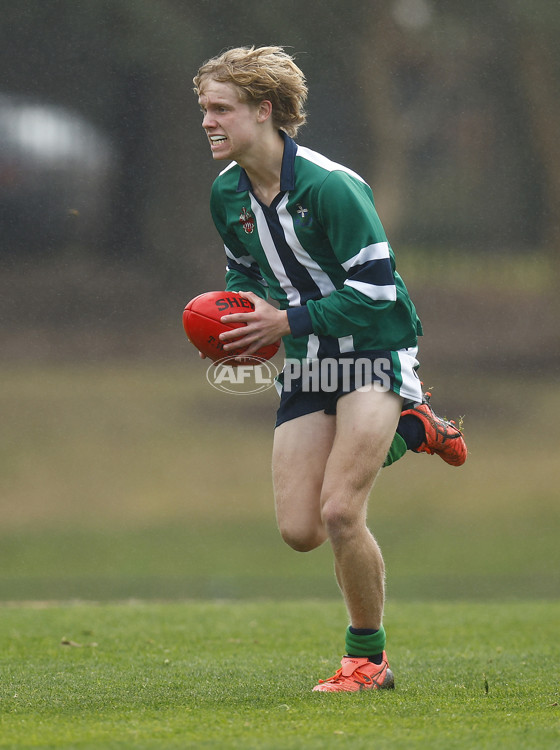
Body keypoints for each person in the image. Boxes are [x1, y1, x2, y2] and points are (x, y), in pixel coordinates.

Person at [193, 46, 467, 693]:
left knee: (343, 511)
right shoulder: (226, 194)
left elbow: (377, 292)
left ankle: (366, 661)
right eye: (204, 109)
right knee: (300, 530)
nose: (207, 121)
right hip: (309, 363)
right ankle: (415, 429)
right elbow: (244, 272)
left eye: (220, 109)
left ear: (264, 111)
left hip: (375, 349)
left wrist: (283, 321)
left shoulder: (330, 187)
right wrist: (237, 319)